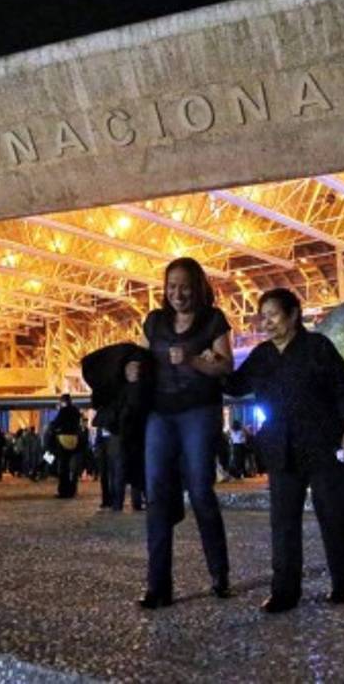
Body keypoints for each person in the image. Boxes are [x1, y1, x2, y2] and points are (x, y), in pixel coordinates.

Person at [226, 288, 344, 613]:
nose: (267, 322)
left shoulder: (318, 348)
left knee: (335, 516)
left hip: (323, 447)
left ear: (293, 314)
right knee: (283, 522)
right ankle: (284, 591)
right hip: (281, 450)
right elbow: (234, 385)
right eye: (263, 316)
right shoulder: (261, 356)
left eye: (273, 314)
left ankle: (342, 582)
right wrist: (206, 366)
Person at [127, 257, 233, 609]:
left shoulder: (213, 320)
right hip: (160, 413)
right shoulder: (155, 322)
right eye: (171, 286)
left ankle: (219, 573)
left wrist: (192, 360)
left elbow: (225, 365)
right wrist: (131, 368)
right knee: (156, 493)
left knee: (201, 490)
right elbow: (139, 356)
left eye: (185, 286)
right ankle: (158, 585)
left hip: (198, 411)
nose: (178, 293)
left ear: (198, 286)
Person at [49, 395, 84, 499]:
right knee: (72, 467)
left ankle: (63, 491)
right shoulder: (76, 411)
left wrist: (52, 427)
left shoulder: (63, 411)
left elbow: (56, 423)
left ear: (63, 402)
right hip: (75, 439)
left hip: (63, 439)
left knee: (63, 466)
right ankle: (72, 489)